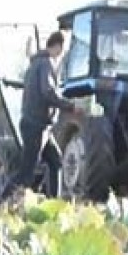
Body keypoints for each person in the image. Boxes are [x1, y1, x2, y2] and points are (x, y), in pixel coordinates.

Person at [8, 31, 81, 199]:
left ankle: (54, 202)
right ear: (57, 46)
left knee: (55, 161)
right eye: (62, 51)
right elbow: (47, 92)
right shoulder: (45, 64)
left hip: (41, 127)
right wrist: (70, 106)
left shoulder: (35, 64)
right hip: (36, 126)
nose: (61, 56)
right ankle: (2, 201)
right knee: (26, 173)